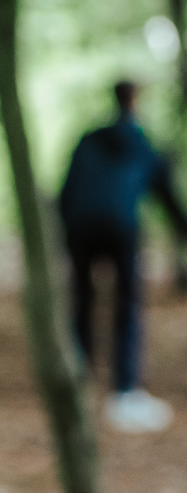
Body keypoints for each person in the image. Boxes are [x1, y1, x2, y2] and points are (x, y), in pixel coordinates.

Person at [58, 80, 187, 433]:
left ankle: (78, 377)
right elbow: (166, 196)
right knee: (126, 305)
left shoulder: (88, 140)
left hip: (81, 227)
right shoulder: (143, 144)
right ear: (136, 101)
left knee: (82, 300)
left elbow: (66, 189)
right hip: (121, 227)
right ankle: (124, 391)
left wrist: (64, 230)